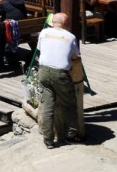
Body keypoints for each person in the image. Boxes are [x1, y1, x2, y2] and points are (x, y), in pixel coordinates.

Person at [37, 12, 84, 149]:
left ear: (53, 21)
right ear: (66, 24)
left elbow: (40, 49)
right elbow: (75, 57)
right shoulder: (70, 37)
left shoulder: (44, 32)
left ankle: (48, 140)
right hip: (61, 74)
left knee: (47, 106)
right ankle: (70, 135)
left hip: (44, 71)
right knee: (69, 104)